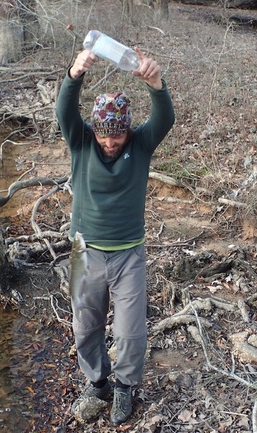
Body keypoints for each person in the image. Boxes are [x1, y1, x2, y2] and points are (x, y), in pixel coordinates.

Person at [55, 46, 175, 425]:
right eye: (105, 135)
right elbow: (65, 112)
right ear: (95, 130)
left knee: (130, 332)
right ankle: (99, 381)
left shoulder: (140, 144)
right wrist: (75, 74)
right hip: (83, 251)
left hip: (128, 254)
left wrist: (156, 84)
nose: (110, 142)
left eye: (116, 135)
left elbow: (165, 118)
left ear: (126, 130)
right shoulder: (82, 142)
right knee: (84, 325)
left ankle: (124, 387)